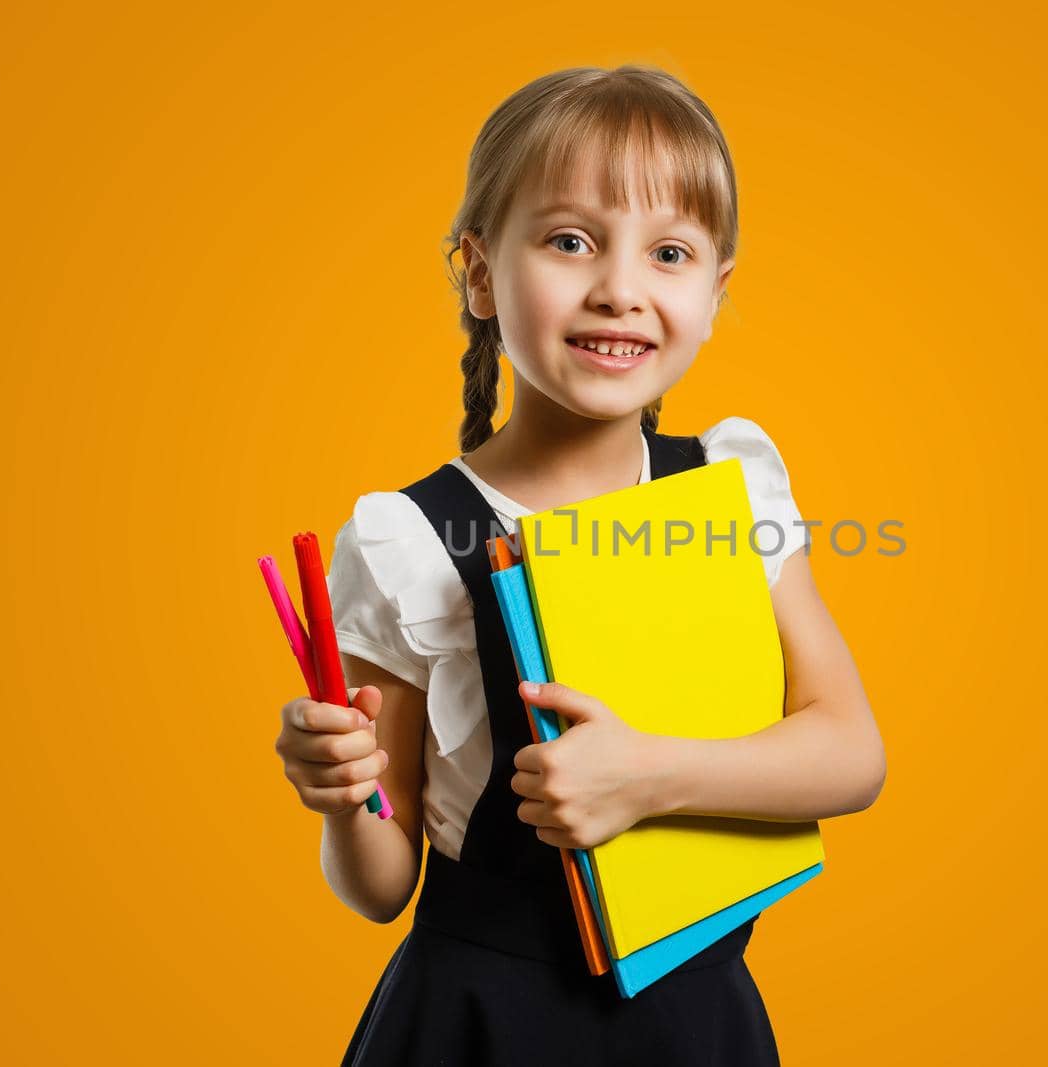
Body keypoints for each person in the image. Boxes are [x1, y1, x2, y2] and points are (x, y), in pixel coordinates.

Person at [273, 65, 887, 1066]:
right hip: (480, 1023)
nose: (619, 288)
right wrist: (346, 796)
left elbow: (851, 753)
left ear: (713, 291)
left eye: (670, 252)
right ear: (479, 272)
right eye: (569, 240)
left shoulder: (730, 484)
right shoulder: (405, 538)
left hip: (697, 1026)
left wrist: (650, 774)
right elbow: (382, 886)